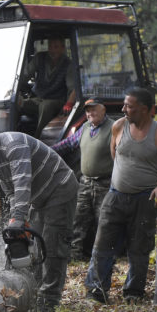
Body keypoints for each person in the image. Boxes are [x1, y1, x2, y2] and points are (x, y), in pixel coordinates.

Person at [0, 116, 78, 311]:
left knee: (53, 246)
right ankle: (34, 292)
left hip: (59, 188)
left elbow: (22, 183)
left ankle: (49, 304)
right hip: (38, 198)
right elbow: (11, 192)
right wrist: (16, 219)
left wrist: (19, 218)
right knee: (35, 247)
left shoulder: (13, 144)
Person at [84, 87, 157, 304]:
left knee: (139, 248)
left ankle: (133, 292)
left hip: (145, 199)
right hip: (115, 196)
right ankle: (96, 291)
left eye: (129, 106)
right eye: (125, 105)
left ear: (145, 110)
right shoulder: (119, 127)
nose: (123, 109)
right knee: (102, 245)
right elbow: (114, 154)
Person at [51, 97, 114, 261]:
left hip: (106, 183)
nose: (90, 113)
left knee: (104, 221)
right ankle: (74, 256)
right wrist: (46, 151)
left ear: (103, 110)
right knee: (78, 219)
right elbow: (66, 145)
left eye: (94, 109)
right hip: (85, 182)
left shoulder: (114, 128)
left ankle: (103, 258)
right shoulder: (85, 128)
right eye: (87, 110)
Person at [20, 37, 77, 139]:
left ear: (63, 48)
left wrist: (69, 103)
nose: (52, 50)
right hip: (38, 98)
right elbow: (25, 75)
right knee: (18, 103)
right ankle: (14, 134)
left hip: (57, 100)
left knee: (46, 106)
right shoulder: (40, 58)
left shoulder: (68, 65)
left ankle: (38, 139)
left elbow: (73, 88)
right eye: (50, 46)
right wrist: (14, 89)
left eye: (56, 47)